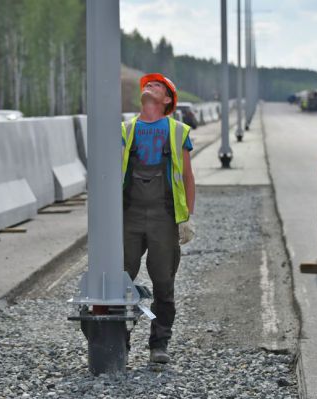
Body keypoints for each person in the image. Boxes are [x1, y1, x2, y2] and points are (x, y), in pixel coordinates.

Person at [121, 73, 196, 364]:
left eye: (157, 86)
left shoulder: (177, 131)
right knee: (120, 280)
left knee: (163, 283)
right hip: (129, 214)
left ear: (167, 101)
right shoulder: (125, 130)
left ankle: (158, 343)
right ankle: (120, 340)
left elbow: (188, 178)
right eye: (148, 85)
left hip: (164, 217)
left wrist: (187, 217)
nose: (149, 87)